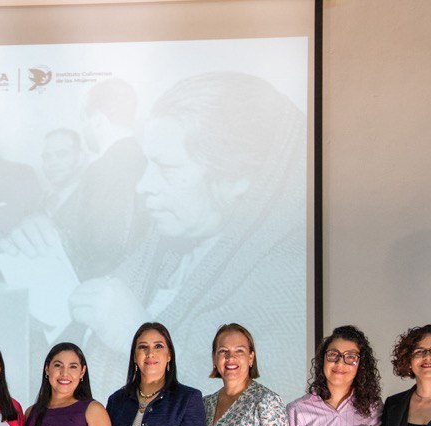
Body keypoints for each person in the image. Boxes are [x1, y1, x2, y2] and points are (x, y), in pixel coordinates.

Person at [68, 73, 307, 396]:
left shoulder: (287, 283)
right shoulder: (165, 245)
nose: (143, 187)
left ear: (235, 179)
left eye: (166, 168)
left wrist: (138, 339)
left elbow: (256, 409)